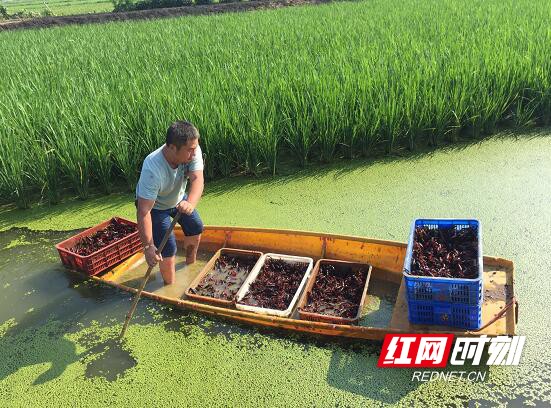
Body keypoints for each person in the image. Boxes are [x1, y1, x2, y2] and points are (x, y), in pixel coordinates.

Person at [135, 120, 204, 285]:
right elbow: (143, 211)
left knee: (196, 226)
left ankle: (190, 266)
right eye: (189, 150)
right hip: (156, 207)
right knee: (168, 247)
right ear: (172, 147)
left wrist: (191, 203)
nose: (194, 154)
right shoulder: (153, 167)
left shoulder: (193, 149)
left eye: (195, 149)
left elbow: (197, 179)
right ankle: (170, 287)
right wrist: (148, 247)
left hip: (179, 199)